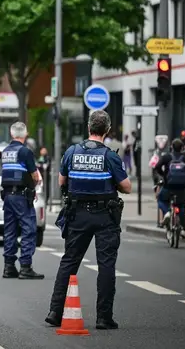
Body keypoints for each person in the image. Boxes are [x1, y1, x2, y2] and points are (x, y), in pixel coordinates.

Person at [46, 110, 131, 331]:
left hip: (77, 215)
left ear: (88, 128)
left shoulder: (72, 152)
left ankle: (55, 312)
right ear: (108, 130)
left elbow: (62, 180)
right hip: (105, 216)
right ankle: (104, 317)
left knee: (69, 261)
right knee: (106, 265)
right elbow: (127, 187)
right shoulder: (110, 156)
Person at [0, 121, 44, 280]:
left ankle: (9, 267)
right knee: (28, 228)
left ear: (12, 134)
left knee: (10, 231)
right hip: (21, 197)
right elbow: (35, 175)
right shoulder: (25, 152)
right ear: (25, 134)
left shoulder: (5, 151)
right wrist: (35, 185)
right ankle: (26, 267)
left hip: (7, 197)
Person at [154, 138, 185, 230]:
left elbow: (157, 167)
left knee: (161, 199)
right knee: (182, 205)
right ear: (182, 148)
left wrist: (164, 176)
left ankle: (167, 212)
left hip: (169, 186)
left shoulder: (166, 157)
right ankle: (183, 228)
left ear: (171, 147)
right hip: (181, 187)